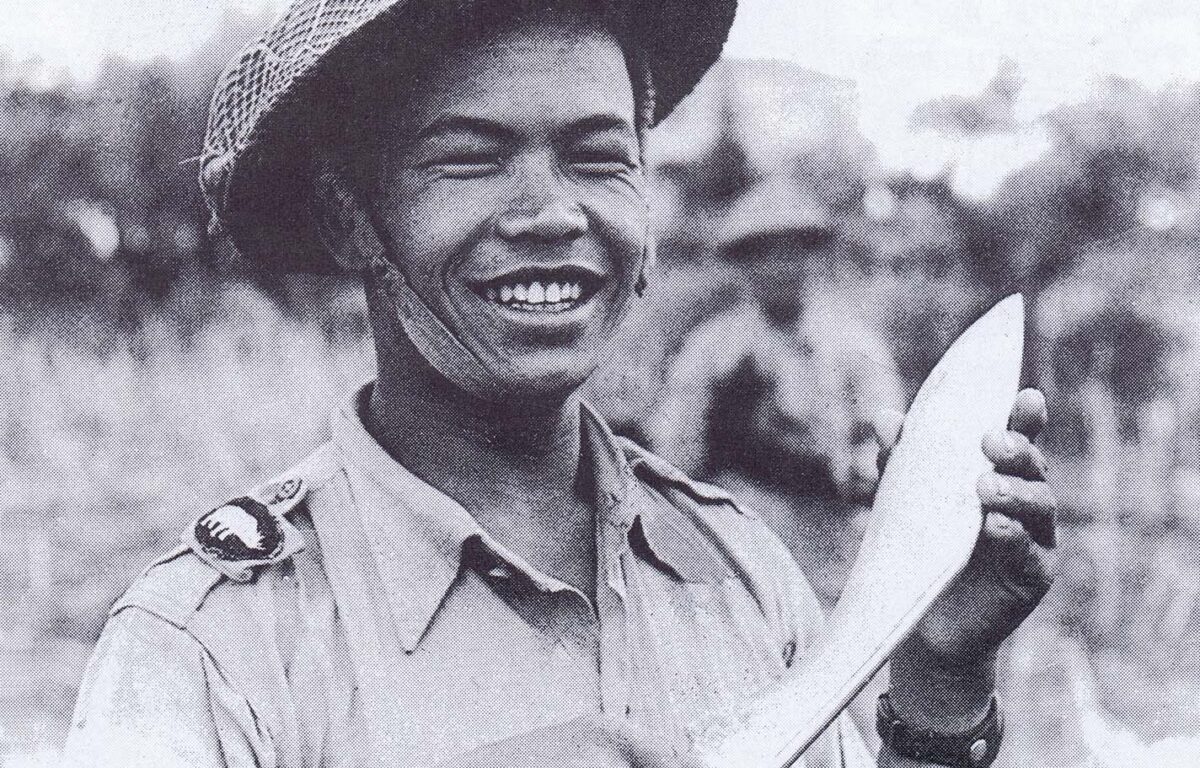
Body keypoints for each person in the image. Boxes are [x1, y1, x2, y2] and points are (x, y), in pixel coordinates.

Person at [60, 1, 1057, 767]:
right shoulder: (214, 643)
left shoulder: (741, 574)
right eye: (470, 161)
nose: (551, 212)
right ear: (350, 219)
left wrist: (936, 676)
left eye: (597, 158)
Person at [649, 177, 905, 607]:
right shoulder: (714, 349)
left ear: (811, 256)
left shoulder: (854, 344)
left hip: (831, 547)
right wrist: (728, 429)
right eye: (763, 253)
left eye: (792, 250)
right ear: (744, 264)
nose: (780, 265)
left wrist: (843, 464)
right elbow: (672, 455)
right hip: (738, 551)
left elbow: (885, 441)